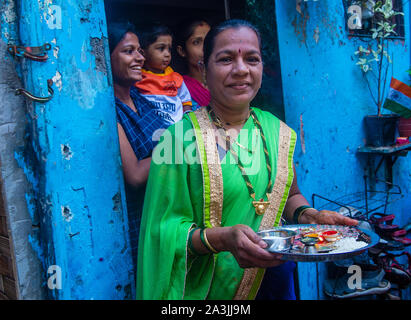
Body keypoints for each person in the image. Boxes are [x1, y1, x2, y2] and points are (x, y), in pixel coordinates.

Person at [136, 19, 358, 300]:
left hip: (275, 279)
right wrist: (222, 239)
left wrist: (310, 215)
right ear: (204, 69)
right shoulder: (178, 139)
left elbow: (289, 196)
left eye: (252, 59)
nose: (241, 70)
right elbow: (162, 233)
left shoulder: (277, 132)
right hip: (210, 291)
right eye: (226, 59)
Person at [108, 22, 169, 276]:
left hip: (162, 217)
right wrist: (177, 145)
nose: (140, 58)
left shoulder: (141, 100)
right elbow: (134, 175)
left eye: (140, 51)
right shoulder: (108, 109)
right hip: (137, 221)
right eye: (128, 51)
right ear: (106, 57)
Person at [135, 23, 193, 125]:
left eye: (169, 49)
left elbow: (186, 101)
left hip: (177, 128)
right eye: (161, 48)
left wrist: (186, 120)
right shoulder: (138, 78)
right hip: (152, 128)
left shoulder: (176, 78)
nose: (167, 54)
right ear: (143, 53)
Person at [175, 18, 211, 109]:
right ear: (182, 51)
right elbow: (179, 123)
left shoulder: (226, 82)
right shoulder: (178, 88)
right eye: (197, 42)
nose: (205, 48)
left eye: (209, 40)